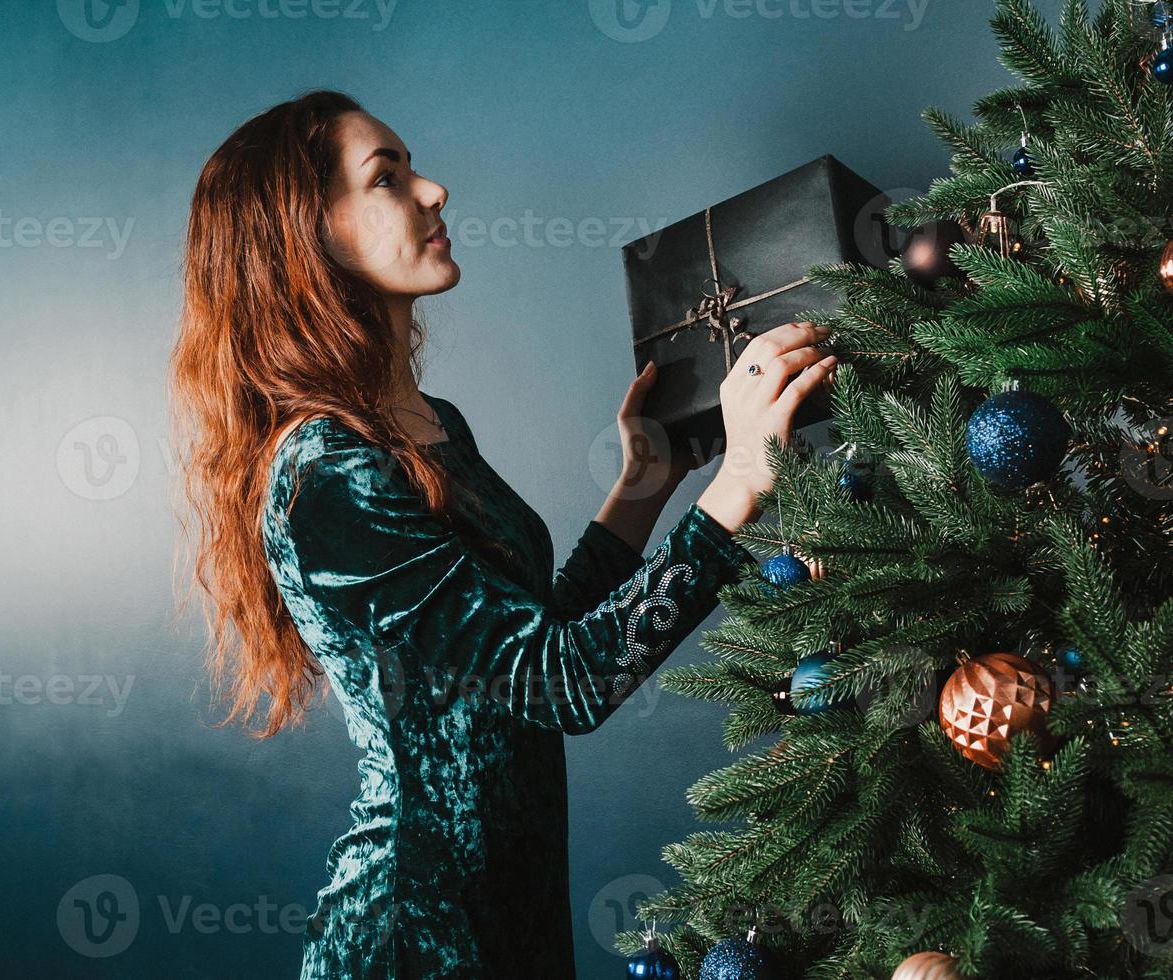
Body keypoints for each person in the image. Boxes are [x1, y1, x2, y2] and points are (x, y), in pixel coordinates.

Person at [168, 89, 836, 980]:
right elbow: (565, 685)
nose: (435, 191)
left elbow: (521, 653)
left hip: (510, 913)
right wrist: (742, 481)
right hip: (412, 936)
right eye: (389, 177)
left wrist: (639, 493)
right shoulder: (326, 475)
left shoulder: (425, 423)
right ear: (309, 233)